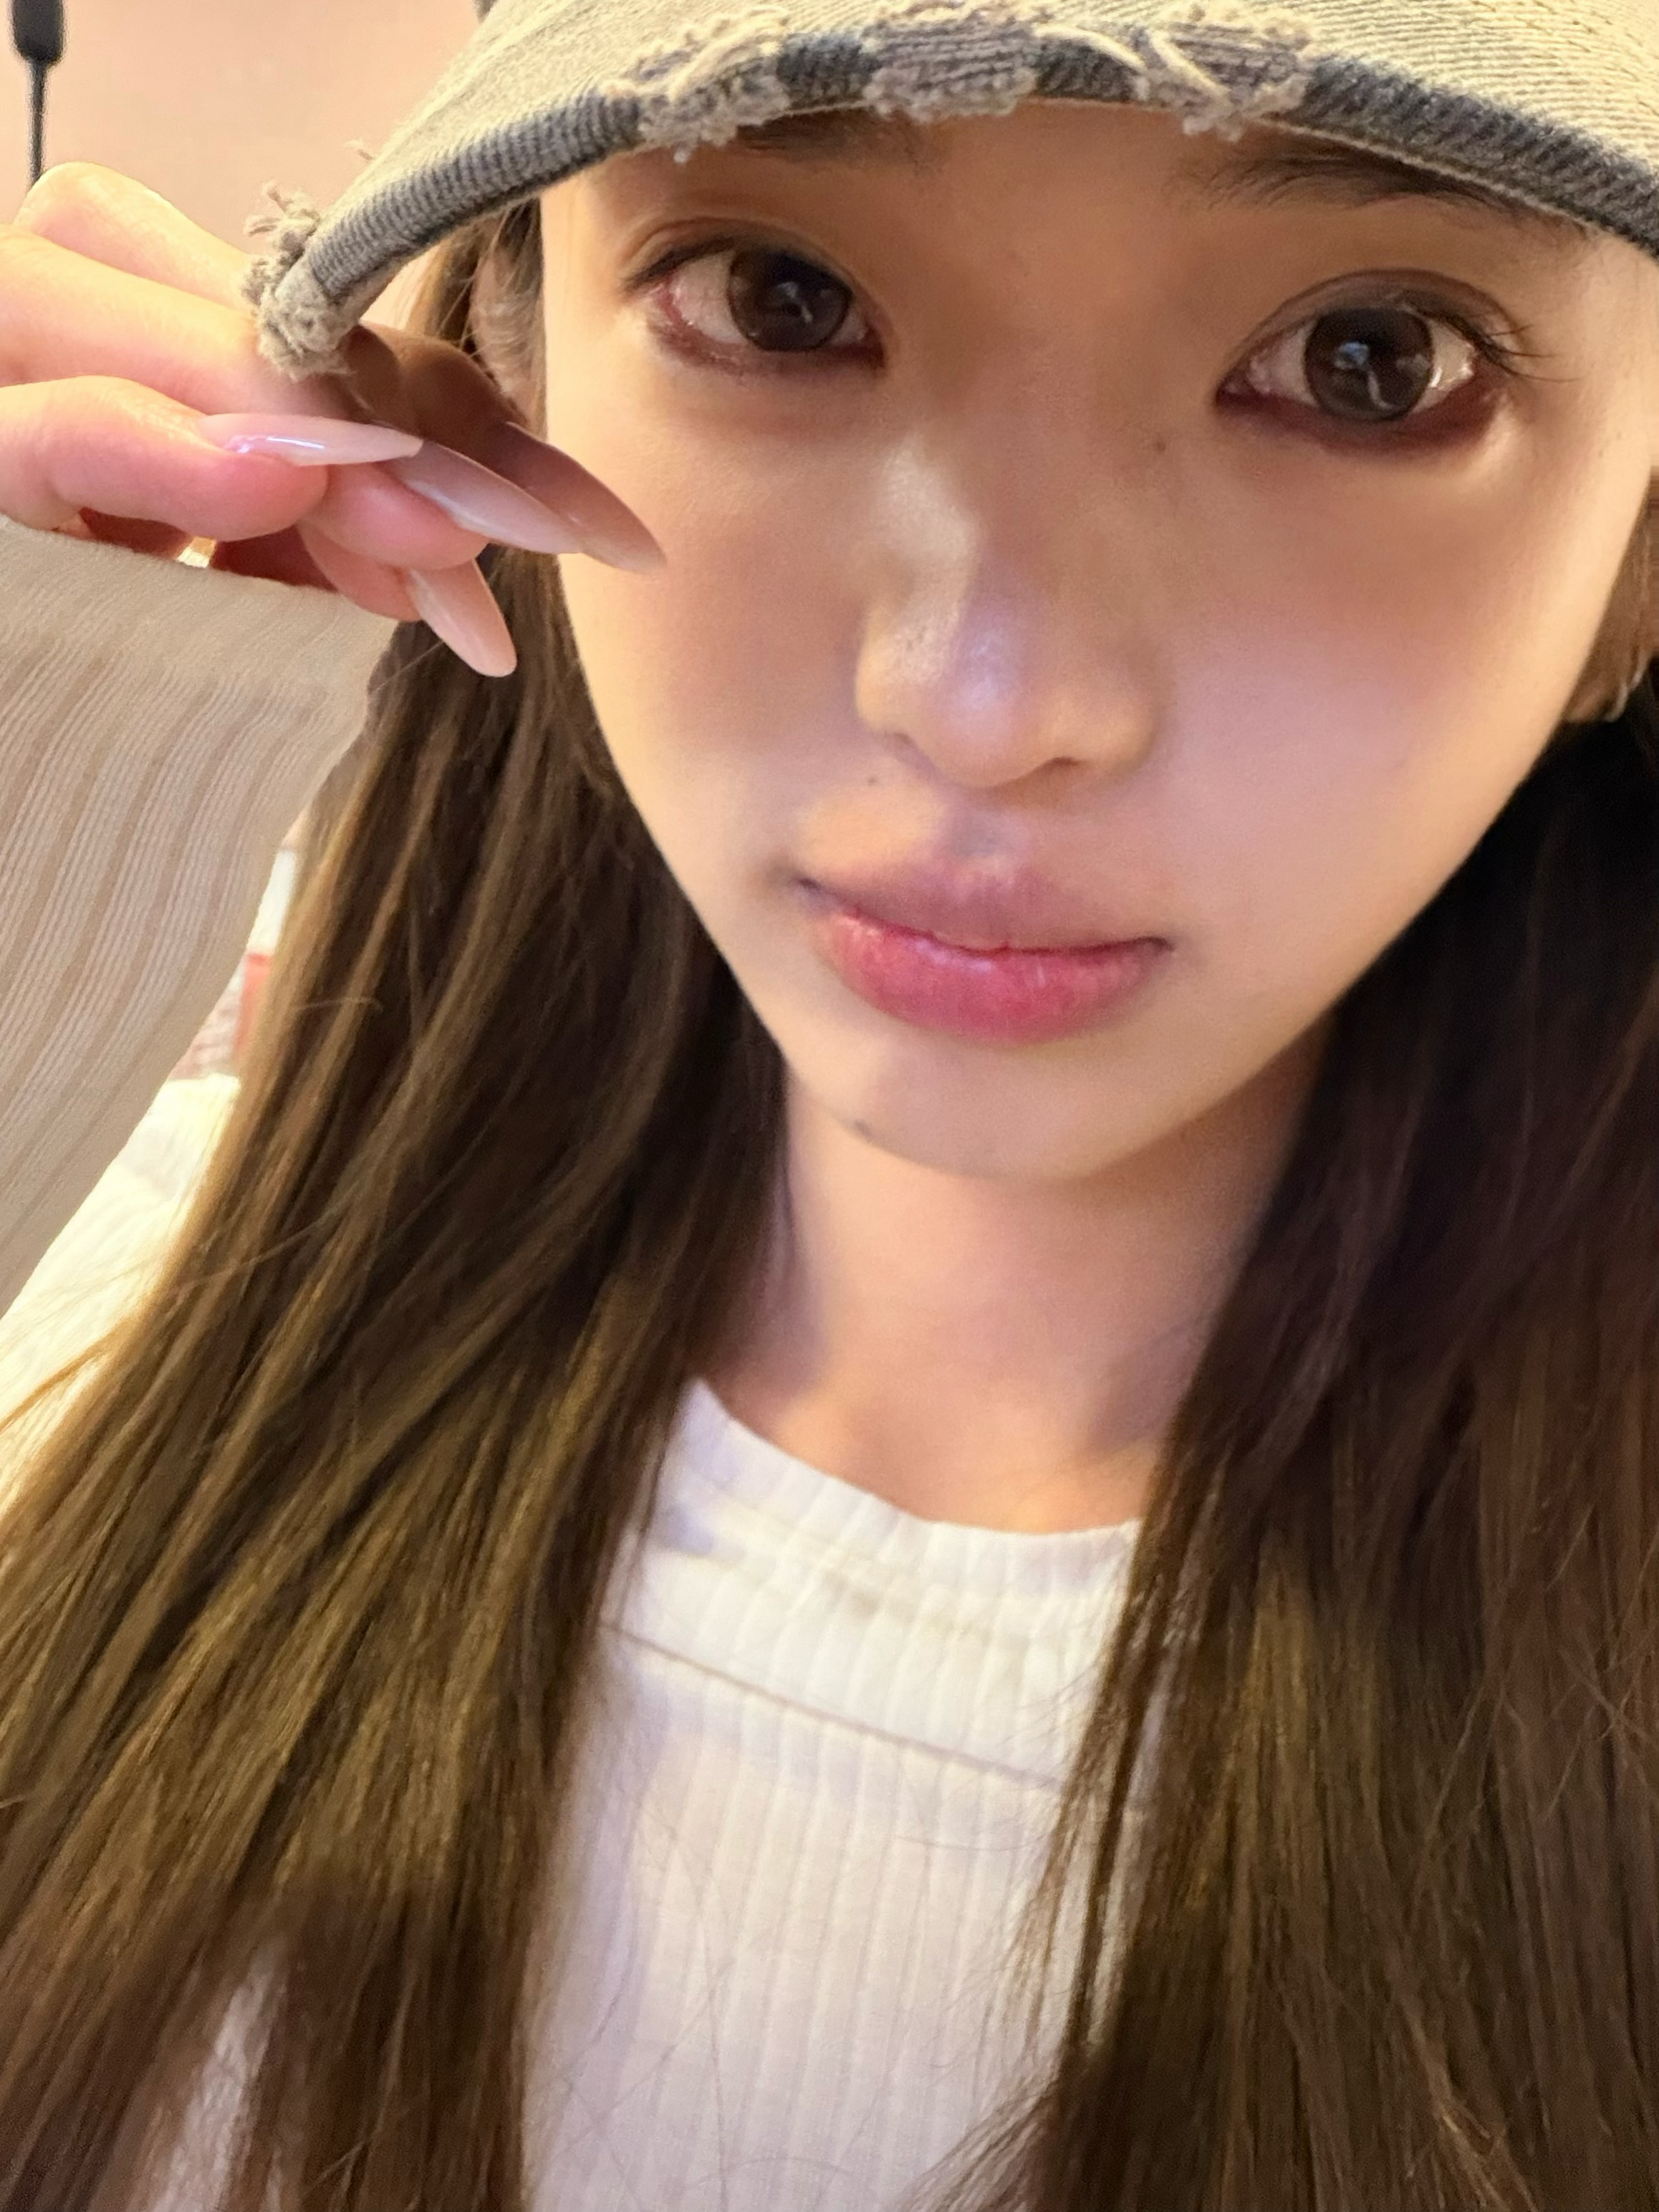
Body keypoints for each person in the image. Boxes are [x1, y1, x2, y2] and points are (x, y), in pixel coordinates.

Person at [0, 1, 1654, 2206]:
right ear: (510, 360)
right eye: (777, 298)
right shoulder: (84, 1309)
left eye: (1373, 363)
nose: (988, 700)